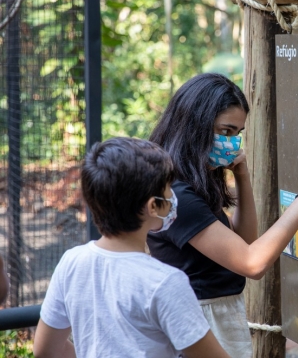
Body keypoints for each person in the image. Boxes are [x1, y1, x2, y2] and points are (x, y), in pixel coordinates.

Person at [148, 73, 298, 357]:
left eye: (238, 134)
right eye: (225, 131)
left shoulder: (191, 181)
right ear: (195, 126)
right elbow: (253, 263)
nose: (233, 142)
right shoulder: (177, 195)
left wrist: (241, 176)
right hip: (200, 317)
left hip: (215, 312)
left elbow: (245, 241)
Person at [33, 137, 230, 358]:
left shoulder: (71, 262)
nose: (173, 197)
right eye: (167, 189)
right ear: (153, 206)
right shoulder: (165, 281)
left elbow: (45, 350)